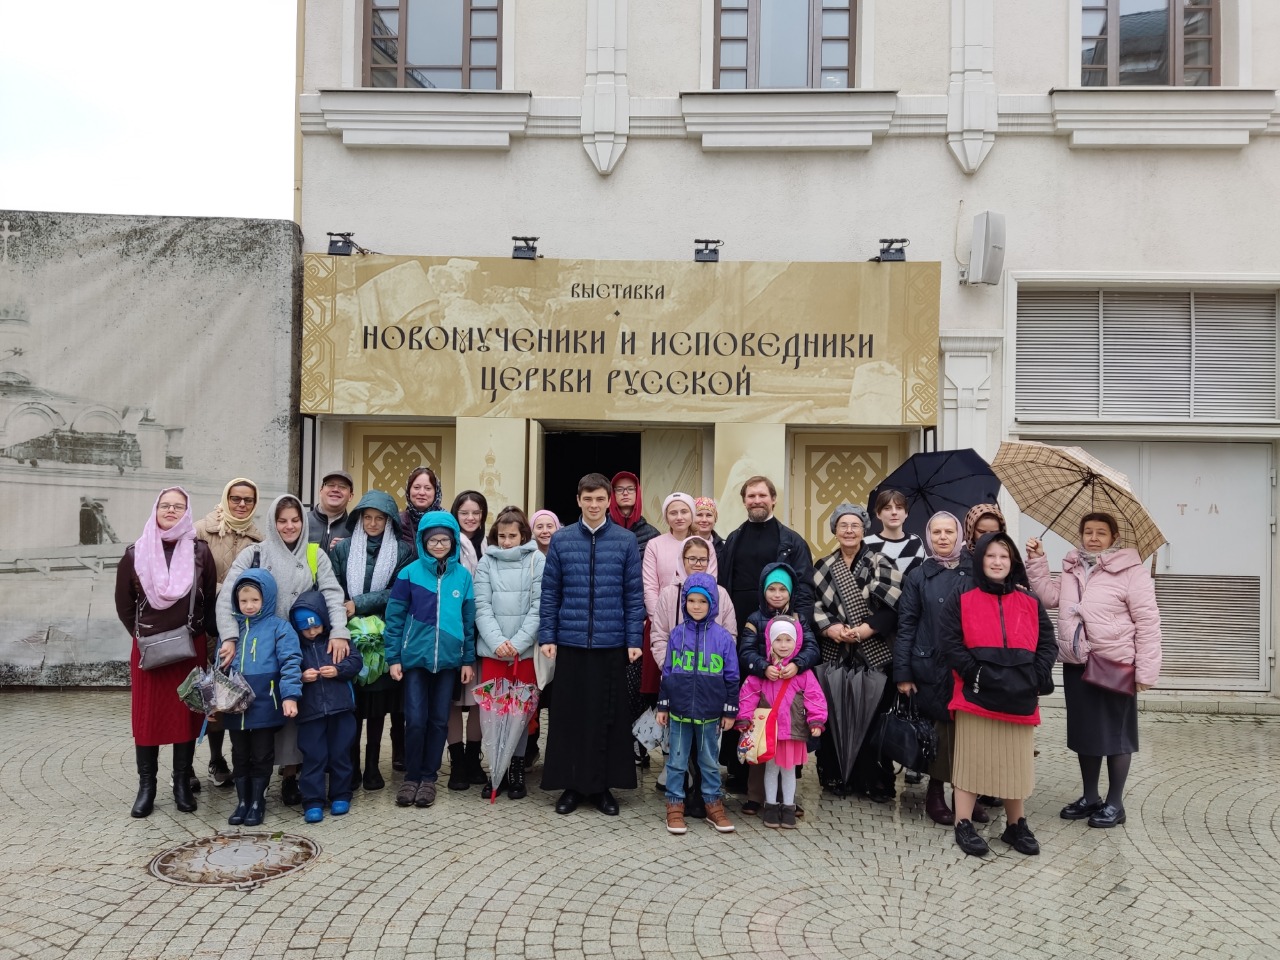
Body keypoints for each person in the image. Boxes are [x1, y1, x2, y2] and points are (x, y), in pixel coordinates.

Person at [1025, 512, 1162, 829]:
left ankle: (1115, 803)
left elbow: (1148, 623)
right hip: (1077, 662)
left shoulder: (1132, 572)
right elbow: (1049, 597)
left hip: (1115, 663)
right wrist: (1037, 560)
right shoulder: (1072, 567)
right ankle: (1090, 797)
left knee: (1117, 735)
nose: (1094, 537)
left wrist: (1145, 672)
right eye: (1088, 531)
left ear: (1114, 537)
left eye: (1101, 532)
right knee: (1085, 733)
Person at [217, 494, 351, 807]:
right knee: (262, 711)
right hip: (259, 646)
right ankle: (258, 781)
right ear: (272, 523)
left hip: (301, 644)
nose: (289, 526)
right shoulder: (254, 554)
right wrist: (230, 637)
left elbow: (332, 594)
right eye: (282, 521)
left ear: (303, 522)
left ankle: (292, 774)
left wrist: (339, 632)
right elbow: (227, 597)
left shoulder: (315, 554)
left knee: (296, 711)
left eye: (295, 520)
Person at [940, 532, 1056, 857]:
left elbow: (1048, 644)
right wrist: (975, 673)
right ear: (980, 560)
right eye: (990, 555)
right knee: (971, 762)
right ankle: (963, 822)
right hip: (976, 695)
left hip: (1020, 697)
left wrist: (1035, 676)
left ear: (1013, 561)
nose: (997, 562)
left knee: (1016, 765)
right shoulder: (962, 596)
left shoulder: (1029, 601)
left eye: (1004, 556)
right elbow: (950, 642)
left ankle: (1016, 825)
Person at [538, 473, 646, 817]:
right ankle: (571, 786)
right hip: (570, 642)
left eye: (600, 499)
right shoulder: (562, 539)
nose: (594, 505)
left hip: (610, 643)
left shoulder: (625, 540)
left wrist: (633, 639)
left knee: (607, 717)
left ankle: (602, 788)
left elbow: (634, 594)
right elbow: (550, 591)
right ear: (578, 500)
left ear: (608, 501)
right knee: (569, 716)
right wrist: (547, 635)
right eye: (588, 499)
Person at [114, 487, 218, 818]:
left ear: (187, 513)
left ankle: (182, 784)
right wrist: (146, 636)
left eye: (178, 506)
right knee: (148, 719)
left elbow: (209, 601)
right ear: (156, 509)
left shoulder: (200, 551)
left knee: (185, 716)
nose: (171, 510)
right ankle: (147, 788)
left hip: (190, 648)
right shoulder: (135, 553)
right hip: (149, 651)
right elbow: (124, 605)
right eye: (165, 505)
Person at [717, 475, 814, 792]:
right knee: (744, 697)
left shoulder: (792, 541)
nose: (756, 500)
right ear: (744, 501)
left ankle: (784, 773)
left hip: (782, 634)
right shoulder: (733, 539)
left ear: (773, 499)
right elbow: (723, 587)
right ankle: (740, 769)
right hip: (742, 631)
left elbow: (804, 590)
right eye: (751, 496)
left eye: (762, 495)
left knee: (781, 701)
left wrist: (797, 632)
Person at [893, 511, 982, 826]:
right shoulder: (919, 574)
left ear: (959, 535)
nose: (943, 537)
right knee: (938, 732)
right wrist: (903, 673)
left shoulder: (976, 571)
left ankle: (965, 794)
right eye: (936, 532)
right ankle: (935, 792)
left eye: (948, 532)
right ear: (928, 537)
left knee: (968, 732)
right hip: (930, 663)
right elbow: (906, 625)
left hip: (966, 664)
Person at [385, 510, 476, 810]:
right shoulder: (409, 574)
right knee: (415, 720)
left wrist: (467, 660)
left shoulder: (462, 577)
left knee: (438, 721)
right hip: (414, 661)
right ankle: (411, 777)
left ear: (453, 542)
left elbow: (468, 621)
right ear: (423, 541)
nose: (439, 545)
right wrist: (393, 657)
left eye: (444, 540)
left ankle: (428, 778)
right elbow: (394, 618)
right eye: (433, 540)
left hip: (448, 662)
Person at [812, 503, 903, 801]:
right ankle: (837, 775)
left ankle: (874, 780)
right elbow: (813, 605)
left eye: (855, 525)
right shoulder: (823, 566)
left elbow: (893, 607)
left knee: (873, 717)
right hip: (835, 651)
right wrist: (830, 629)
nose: (849, 530)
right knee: (835, 714)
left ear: (864, 529)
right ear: (835, 530)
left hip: (873, 650)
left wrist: (866, 629)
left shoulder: (881, 561)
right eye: (843, 525)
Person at [330, 490, 414, 791]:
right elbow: (332, 586)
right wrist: (344, 612)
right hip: (349, 636)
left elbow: (399, 591)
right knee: (352, 706)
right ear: (359, 519)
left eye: (380, 518)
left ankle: (373, 766)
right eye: (368, 517)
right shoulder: (343, 548)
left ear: (390, 521)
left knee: (378, 708)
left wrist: (360, 603)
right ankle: (351, 767)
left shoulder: (402, 551)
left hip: (384, 635)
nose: (373, 523)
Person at [648, 535, 737, 818]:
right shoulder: (670, 594)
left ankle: (707, 798)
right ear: (681, 560)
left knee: (708, 755)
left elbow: (729, 641)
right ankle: (677, 800)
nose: (697, 563)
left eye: (702, 558)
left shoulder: (721, 594)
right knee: (678, 753)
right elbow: (660, 636)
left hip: (709, 690)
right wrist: (674, 674)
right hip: (680, 686)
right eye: (691, 558)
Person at [217, 569, 303, 827]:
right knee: (239, 754)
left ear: (267, 599)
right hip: (235, 707)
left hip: (266, 703)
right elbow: (220, 670)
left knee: (262, 754)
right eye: (243, 601)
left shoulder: (279, 627)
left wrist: (290, 696)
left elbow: (291, 662)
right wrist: (214, 703)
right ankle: (242, 801)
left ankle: (258, 801)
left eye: (255, 600)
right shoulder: (231, 632)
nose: (249, 606)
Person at [194, 477, 264, 788]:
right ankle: (193, 765)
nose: (241, 504)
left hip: (239, 628)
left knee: (229, 693)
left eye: (248, 500)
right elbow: (189, 575)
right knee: (203, 695)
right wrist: (225, 590)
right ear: (225, 498)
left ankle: (225, 759)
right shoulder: (202, 530)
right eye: (236, 498)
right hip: (205, 626)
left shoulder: (259, 538)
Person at [473, 507, 545, 800]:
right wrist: (497, 642)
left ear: (523, 535)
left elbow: (539, 606)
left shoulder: (537, 560)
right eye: (501, 536)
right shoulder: (486, 561)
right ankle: (496, 771)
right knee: (493, 712)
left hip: (523, 653)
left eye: (512, 536)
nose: (506, 542)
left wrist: (517, 643)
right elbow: (481, 606)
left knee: (520, 712)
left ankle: (516, 769)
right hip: (494, 652)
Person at [736, 563, 816, 815]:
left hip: (791, 693)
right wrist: (762, 667)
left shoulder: (800, 619)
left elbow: (812, 648)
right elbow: (745, 651)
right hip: (764, 692)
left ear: (791, 592)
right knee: (760, 743)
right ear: (763, 590)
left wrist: (798, 664)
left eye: (783, 589)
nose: (777, 594)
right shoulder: (754, 619)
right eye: (772, 589)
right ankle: (755, 796)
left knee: (787, 749)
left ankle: (786, 798)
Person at [736, 616, 827, 829]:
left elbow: (815, 697)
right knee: (770, 769)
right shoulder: (764, 672)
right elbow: (748, 694)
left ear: (796, 642)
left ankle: (788, 806)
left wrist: (816, 720)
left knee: (789, 771)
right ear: (770, 641)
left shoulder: (802, 673)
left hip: (792, 731)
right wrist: (744, 718)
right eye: (778, 640)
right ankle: (770, 806)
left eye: (788, 640)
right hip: (770, 732)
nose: (783, 645)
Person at [290, 590, 363, 824]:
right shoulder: (295, 647)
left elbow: (356, 661)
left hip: (341, 708)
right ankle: (312, 800)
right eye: (306, 628)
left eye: (316, 626)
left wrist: (338, 670)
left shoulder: (337, 639)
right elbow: (286, 671)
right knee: (314, 757)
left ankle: (341, 794)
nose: (312, 632)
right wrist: (301, 677)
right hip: (310, 713)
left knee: (341, 754)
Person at [445, 490, 489, 788]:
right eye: (464, 513)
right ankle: (457, 761)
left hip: (483, 630)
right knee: (451, 699)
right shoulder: (446, 543)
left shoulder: (491, 543)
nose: (471, 518)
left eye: (476, 513)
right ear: (455, 515)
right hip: (452, 629)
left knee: (478, 698)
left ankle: (474, 759)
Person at [864, 489, 925, 576]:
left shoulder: (916, 541)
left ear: (906, 513)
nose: (894, 512)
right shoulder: (866, 544)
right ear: (878, 514)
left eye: (899, 508)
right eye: (887, 508)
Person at [608, 471, 660, 552]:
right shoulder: (601, 529)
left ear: (637, 493)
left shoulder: (652, 535)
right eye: (619, 489)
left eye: (630, 489)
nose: (625, 493)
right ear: (613, 494)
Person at [308, 469, 355, 555]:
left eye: (342, 486)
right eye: (330, 485)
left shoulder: (355, 529)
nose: (335, 489)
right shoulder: (302, 522)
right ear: (321, 491)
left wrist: (347, 549)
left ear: (350, 496)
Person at [399, 467, 443, 550]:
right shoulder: (398, 521)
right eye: (416, 487)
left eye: (428, 488)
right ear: (408, 490)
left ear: (436, 492)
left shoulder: (445, 521)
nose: (422, 493)